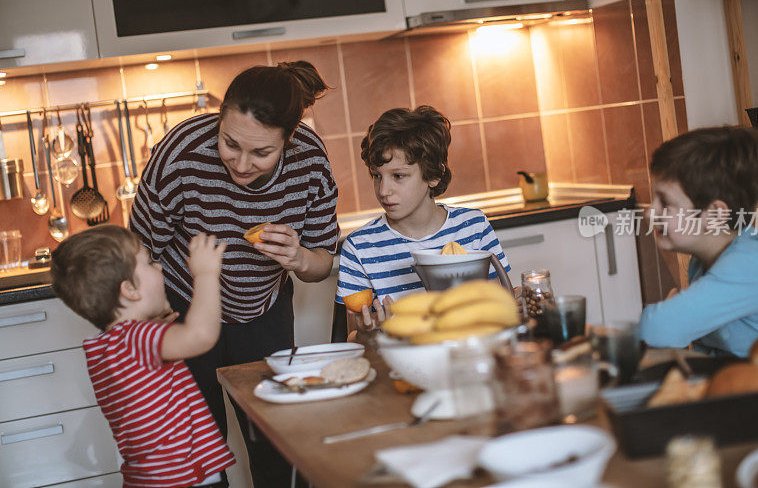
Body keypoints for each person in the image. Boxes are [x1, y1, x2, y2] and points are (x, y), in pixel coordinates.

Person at [129, 62, 339, 487]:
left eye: (262, 152)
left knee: (275, 440)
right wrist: (148, 328)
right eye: (230, 143)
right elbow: (138, 252)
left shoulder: (311, 161)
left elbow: (321, 263)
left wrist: (299, 258)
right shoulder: (181, 151)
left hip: (262, 310)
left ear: (289, 140)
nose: (241, 164)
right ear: (219, 118)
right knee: (196, 451)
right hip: (182, 306)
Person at [50, 225, 234, 488]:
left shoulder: (105, 349)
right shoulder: (139, 338)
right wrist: (206, 274)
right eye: (149, 263)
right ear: (130, 290)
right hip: (183, 478)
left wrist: (155, 326)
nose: (159, 268)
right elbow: (200, 335)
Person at [336, 105, 511, 332]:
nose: (383, 190)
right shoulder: (359, 247)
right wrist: (368, 331)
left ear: (434, 175)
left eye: (398, 176)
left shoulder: (473, 227)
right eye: (377, 176)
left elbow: (503, 305)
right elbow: (352, 337)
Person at [639, 126, 758, 357]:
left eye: (665, 202)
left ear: (714, 215)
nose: (650, 212)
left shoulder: (751, 265)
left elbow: (656, 329)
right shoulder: (703, 261)